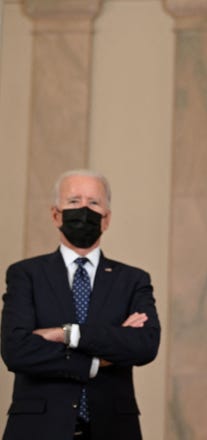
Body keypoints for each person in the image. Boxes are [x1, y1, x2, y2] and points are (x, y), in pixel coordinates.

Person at [1, 170, 160, 439]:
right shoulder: (25, 274)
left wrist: (66, 334)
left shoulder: (133, 280)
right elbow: (16, 350)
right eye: (74, 201)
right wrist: (97, 360)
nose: (84, 210)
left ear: (106, 219)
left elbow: (144, 344)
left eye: (94, 203)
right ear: (56, 214)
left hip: (114, 428)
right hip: (38, 429)